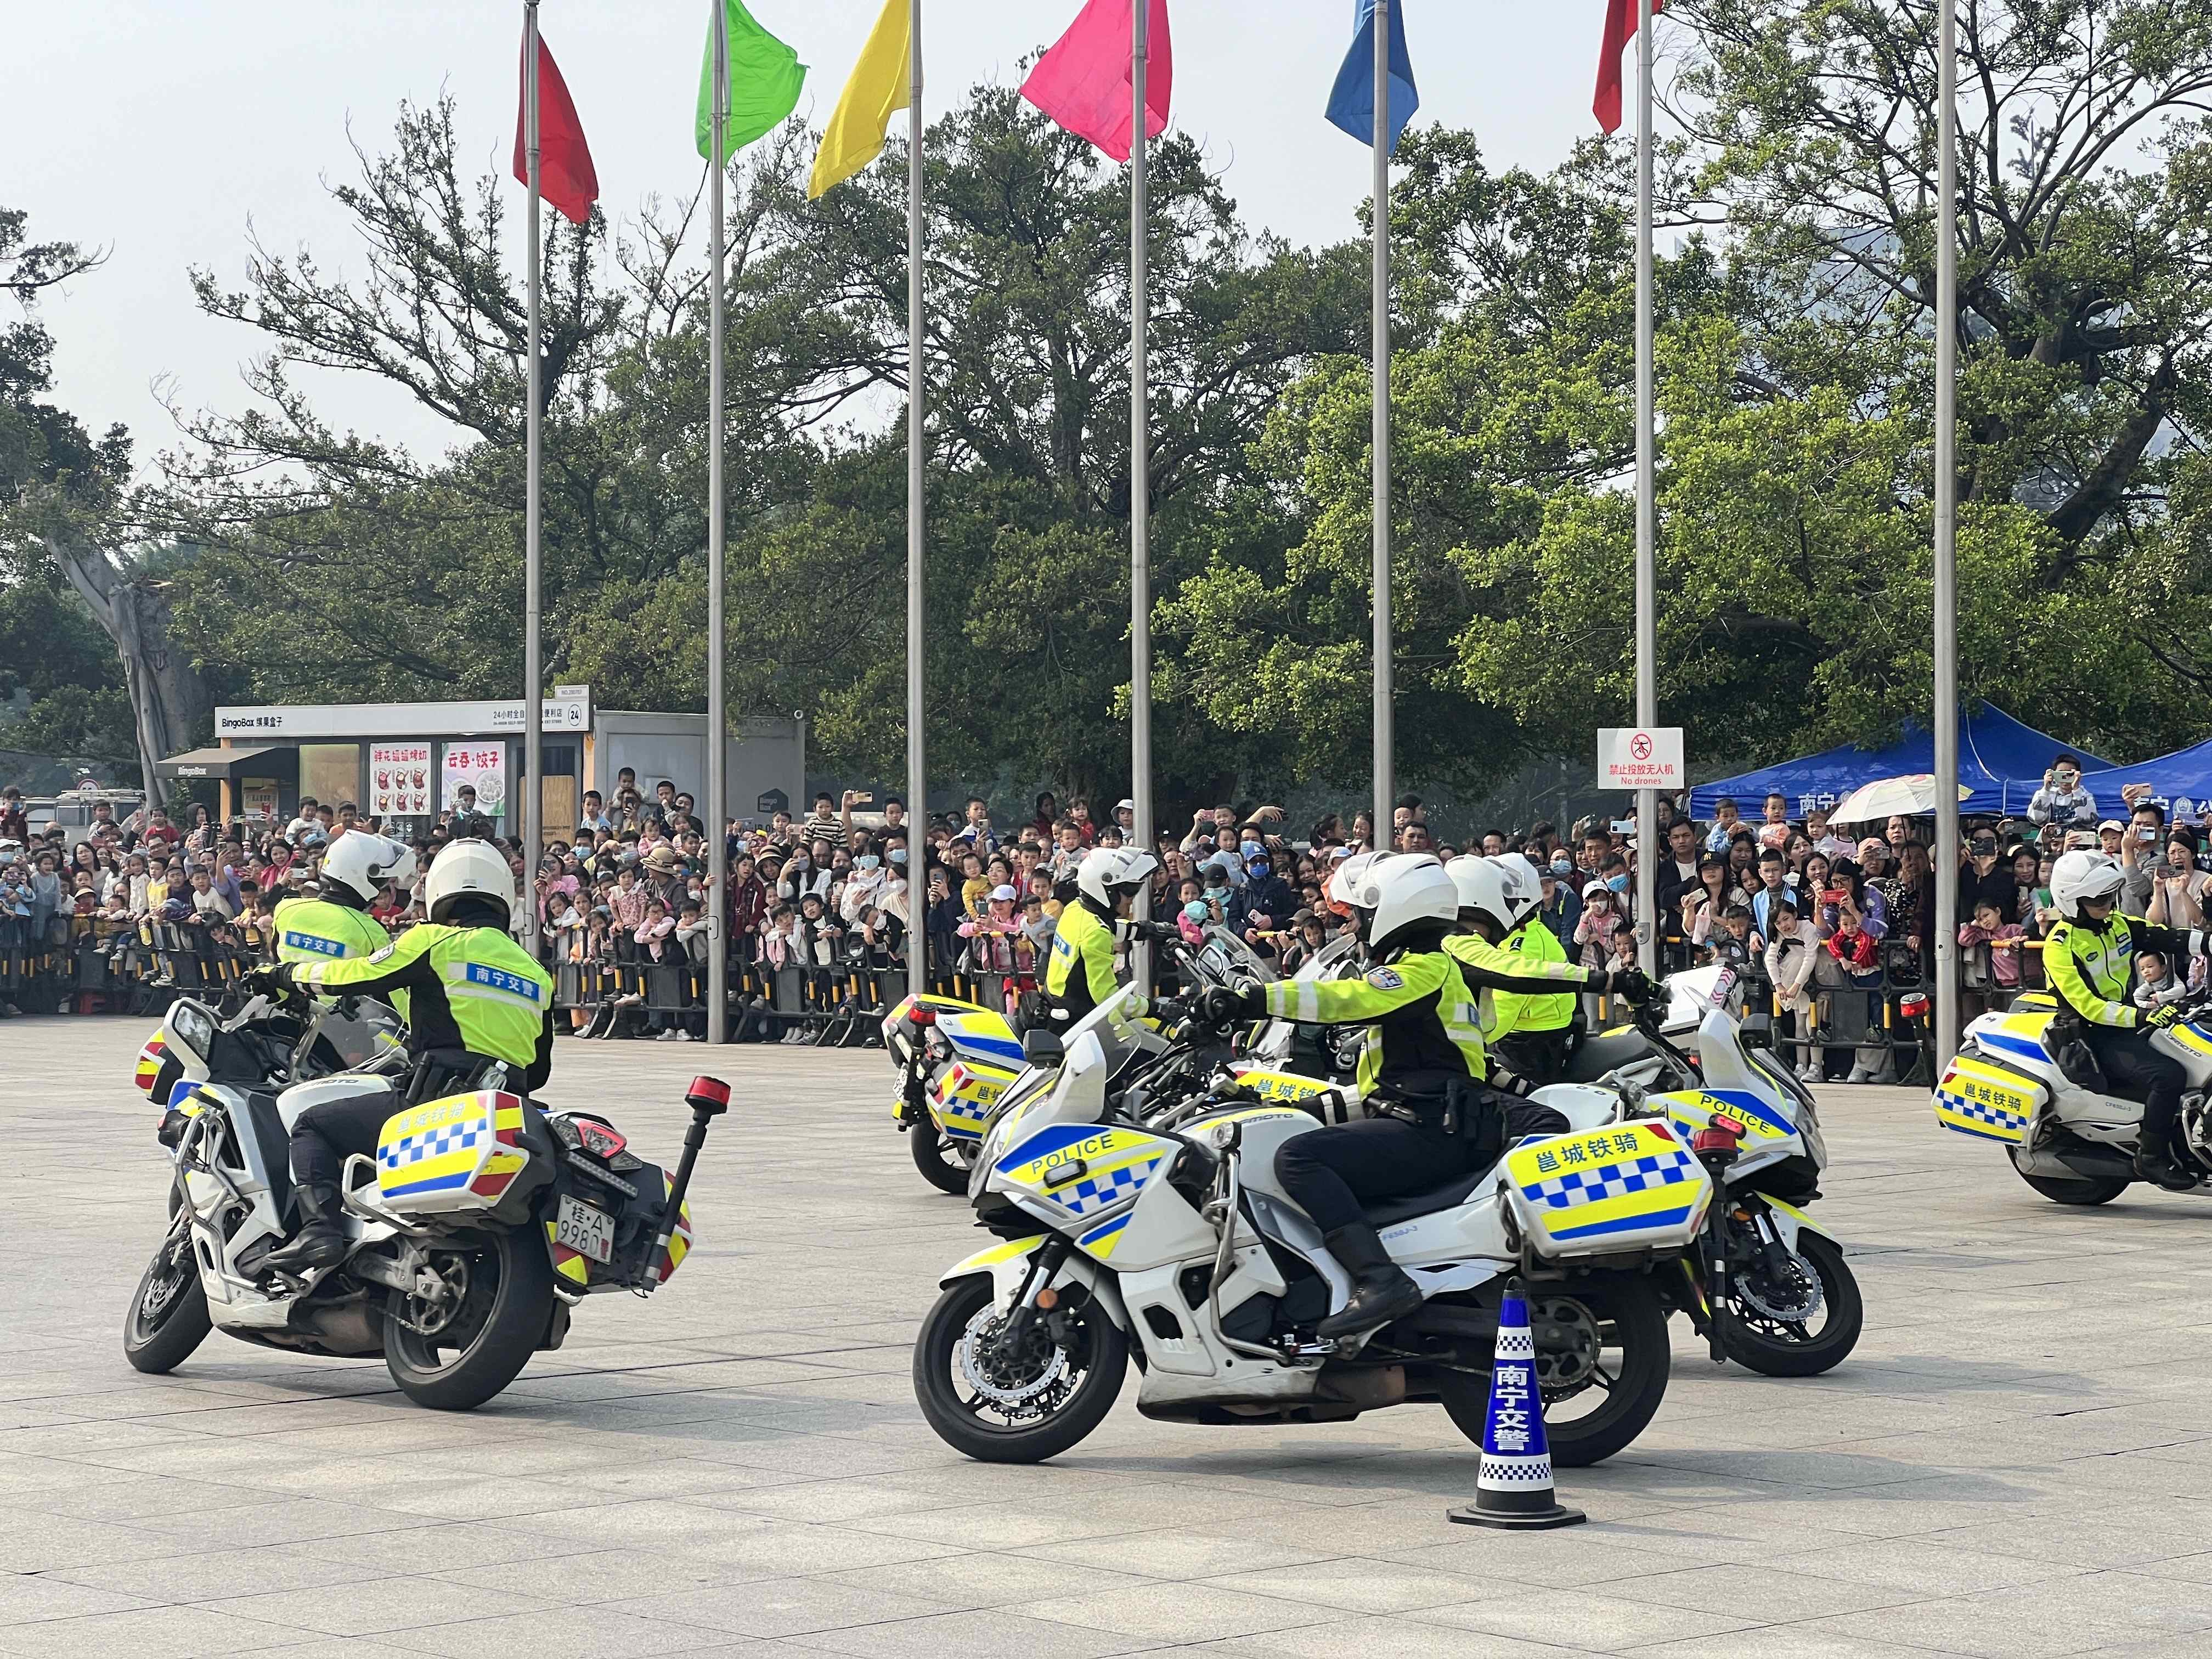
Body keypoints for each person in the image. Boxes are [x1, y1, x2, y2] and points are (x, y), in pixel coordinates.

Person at [1207, 856, 1644, 1342]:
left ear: (1397, 909)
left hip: (1433, 1128)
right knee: (1302, 1138)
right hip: (1432, 1117)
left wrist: (1255, 998)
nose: (1357, 924)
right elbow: (1412, 1079)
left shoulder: (1422, 970)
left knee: (1298, 1160)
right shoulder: (1430, 972)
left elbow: (1346, 999)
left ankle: (1381, 1282)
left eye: (1364, 913)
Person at [252, 840, 556, 1274]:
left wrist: (287, 974)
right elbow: (539, 1069)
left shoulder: (434, 941)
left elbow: (354, 975)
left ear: (440, 894)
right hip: (505, 1108)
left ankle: (320, 1232)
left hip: (435, 1104)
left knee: (312, 1124)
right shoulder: (535, 971)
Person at [2041, 850, 2205, 1190]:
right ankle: (2152, 1157)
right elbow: (2089, 1006)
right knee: (2168, 1075)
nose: (2106, 903)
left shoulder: (2117, 925)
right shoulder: (2060, 945)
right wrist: (2145, 1014)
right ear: (2072, 901)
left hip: (2129, 1022)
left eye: (2110, 896)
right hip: (2090, 1035)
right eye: (2098, 899)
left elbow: (2167, 937)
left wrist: (2209, 943)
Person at [1442, 854, 1640, 1085]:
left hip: (1527, 1043)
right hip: (1522, 1043)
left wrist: (1487, 1043)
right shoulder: (1518, 934)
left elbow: (1511, 992)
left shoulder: (1522, 939)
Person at [1043, 845, 1159, 1024]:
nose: (1131, 898)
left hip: (1055, 1004)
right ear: (1107, 891)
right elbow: (1107, 997)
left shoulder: (1075, 908)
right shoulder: (1097, 934)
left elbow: (1103, 928)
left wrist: (1141, 930)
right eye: (1129, 891)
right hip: (1077, 1018)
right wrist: (1153, 1008)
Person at [271, 832, 413, 972]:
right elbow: (391, 991)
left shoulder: (286, 909)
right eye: (382, 882)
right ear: (367, 879)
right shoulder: (372, 932)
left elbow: (276, 960)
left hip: (287, 994)